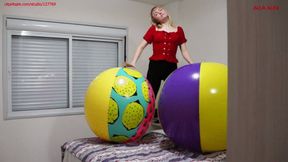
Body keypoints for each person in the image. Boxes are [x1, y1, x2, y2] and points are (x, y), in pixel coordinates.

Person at [127, 6, 193, 123]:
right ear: (154, 19)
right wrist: (133, 61)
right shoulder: (153, 29)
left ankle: (170, 119)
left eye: (160, 10)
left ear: (166, 11)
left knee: (173, 95)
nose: (158, 12)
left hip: (171, 67)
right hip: (155, 66)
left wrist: (192, 63)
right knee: (150, 94)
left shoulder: (179, 30)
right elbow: (141, 46)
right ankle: (144, 122)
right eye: (155, 13)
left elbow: (184, 50)